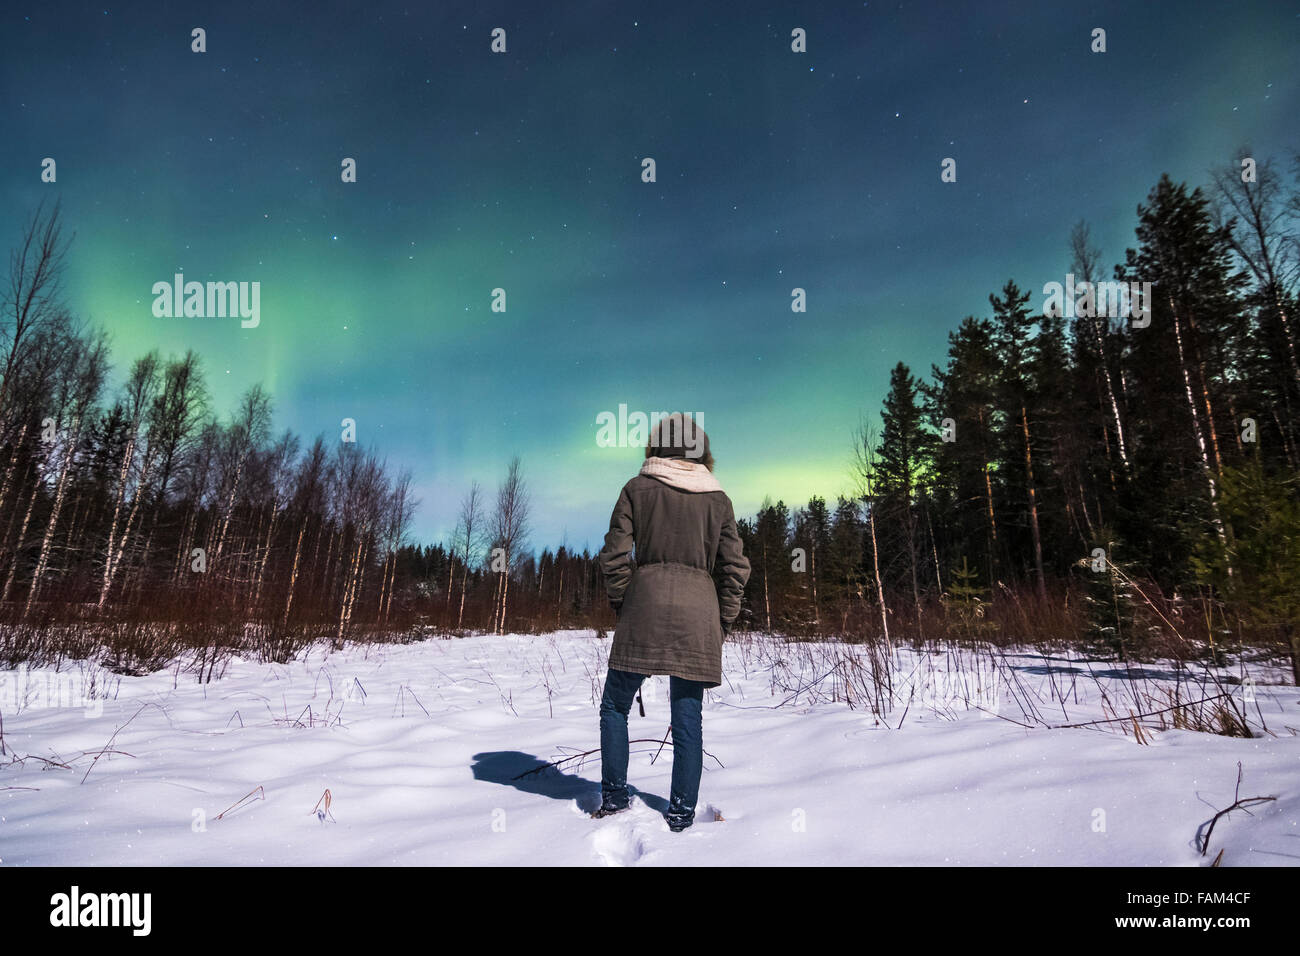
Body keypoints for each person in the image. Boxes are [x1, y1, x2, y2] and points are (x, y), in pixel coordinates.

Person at [594, 413, 750, 831]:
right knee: (687, 719)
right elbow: (735, 569)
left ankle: (613, 798)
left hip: (642, 608)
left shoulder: (635, 489)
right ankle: (680, 814)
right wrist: (722, 624)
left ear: (655, 446)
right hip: (699, 617)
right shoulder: (718, 499)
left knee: (615, 705)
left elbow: (613, 558)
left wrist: (625, 603)